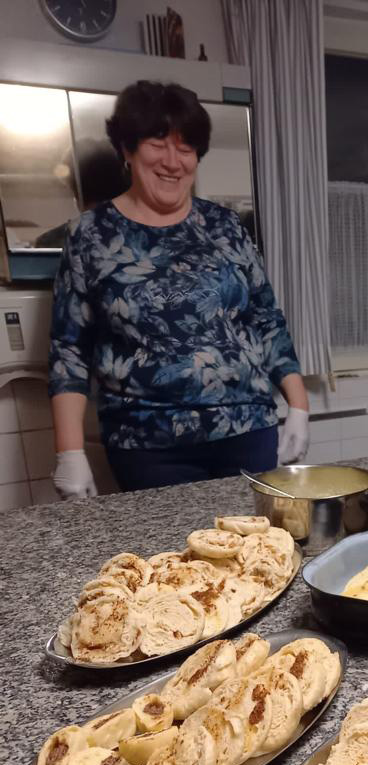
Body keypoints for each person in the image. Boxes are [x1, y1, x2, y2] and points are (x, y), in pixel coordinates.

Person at [49, 80, 309, 499]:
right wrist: (70, 451)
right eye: (158, 144)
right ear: (127, 149)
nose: (173, 162)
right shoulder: (89, 235)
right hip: (147, 445)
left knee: (256, 536)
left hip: (247, 428)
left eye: (186, 148)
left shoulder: (225, 225)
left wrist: (298, 405)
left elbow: (265, 318)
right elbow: (69, 349)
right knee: (170, 542)